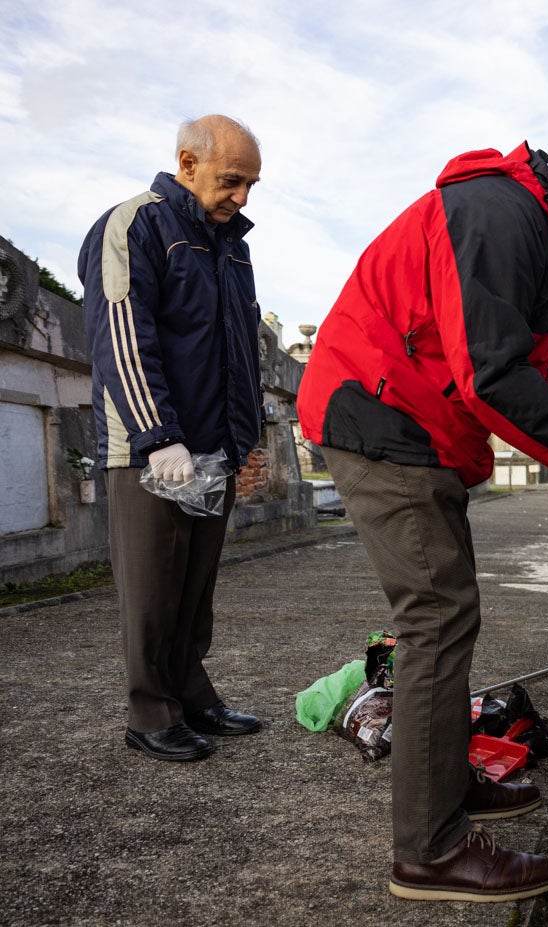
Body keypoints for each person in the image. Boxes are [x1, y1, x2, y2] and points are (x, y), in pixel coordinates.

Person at [296, 128, 548, 904]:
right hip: (380, 411)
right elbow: (493, 377)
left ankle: (445, 789)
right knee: (437, 615)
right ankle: (429, 851)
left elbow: (534, 368)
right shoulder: (501, 214)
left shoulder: (540, 231)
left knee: (447, 616)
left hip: (411, 422)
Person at [77, 114, 265, 763]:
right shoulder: (135, 225)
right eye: (232, 180)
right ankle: (149, 710)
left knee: (195, 586)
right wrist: (158, 435)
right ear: (187, 163)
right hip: (150, 447)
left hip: (213, 445)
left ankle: (190, 692)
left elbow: (240, 349)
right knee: (153, 586)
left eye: (251, 184)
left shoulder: (231, 246)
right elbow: (123, 335)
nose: (242, 197)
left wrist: (248, 438)